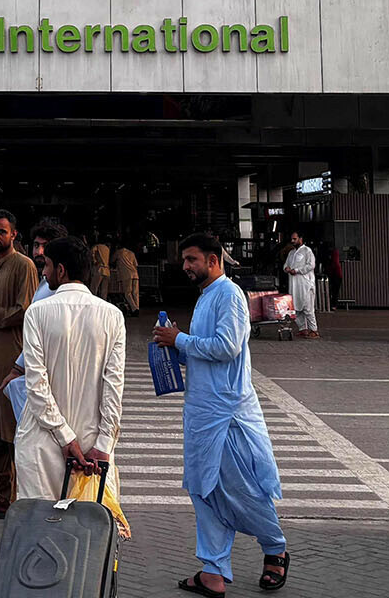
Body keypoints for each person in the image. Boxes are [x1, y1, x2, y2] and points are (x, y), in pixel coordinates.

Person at [153, 233, 289, 595]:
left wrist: (180, 340)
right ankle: (212, 571)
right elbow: (206, 353)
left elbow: (228, 347)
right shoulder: (206, 296)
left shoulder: (229, 294)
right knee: (204, 491)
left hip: (228, 414)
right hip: (202, 413)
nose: (185, 266)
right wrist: (173, 347)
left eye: (192, 259)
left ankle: (274, 547)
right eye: (184, 259)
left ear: (213, 260)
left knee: (242, 489)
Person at [17, 237, 125, 505]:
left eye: (47, 265)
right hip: (91, 444)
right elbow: (113, 387)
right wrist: (103, 445)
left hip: (42, 441)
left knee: (41, 524)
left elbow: (36, 384)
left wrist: (65, 437)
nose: (44, 272)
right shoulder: (112, 316)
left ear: (61, 270)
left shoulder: (36, 313)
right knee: (87, 527)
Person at [0, 209, 38, 519]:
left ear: (14, 234)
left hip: (15, 359)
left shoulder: (24, 265)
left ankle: (22, 500)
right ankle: (3, 499)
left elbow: (23, 311)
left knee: (17, 435)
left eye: (2, 231)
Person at [283, 231, 319, 340]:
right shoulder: (291, 253)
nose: (292, 241)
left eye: (295, 239)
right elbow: (286, 264)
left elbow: (311, 265)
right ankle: (303, 329)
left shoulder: (307, 251)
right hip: (294, 285)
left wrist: (297, 270)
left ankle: (314, 330)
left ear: (300, 239)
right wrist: (287, 269)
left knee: (308, 308)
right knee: (296, 308)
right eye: (292, 239)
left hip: (305, 285)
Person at [108, 239, 141, 314]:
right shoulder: (131, 253)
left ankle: (134, 308)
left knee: (127, 293)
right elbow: (135, 264)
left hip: (126, 274)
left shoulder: (119, 252)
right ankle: (137, 307)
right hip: (135, 274)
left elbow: (111, 260)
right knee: (135, 293)